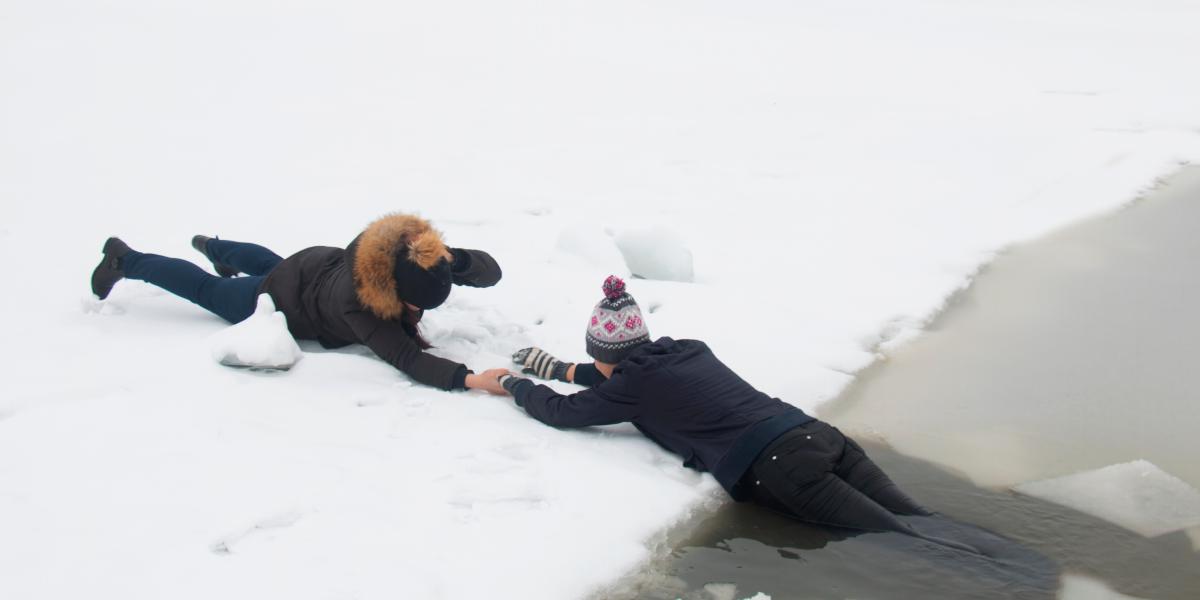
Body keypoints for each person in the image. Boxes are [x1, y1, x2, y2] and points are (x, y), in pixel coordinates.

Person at [492, 275, 946, 537]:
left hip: (781, 466)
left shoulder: (630, 386)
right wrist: (557, 369)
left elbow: (563, 413)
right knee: (924, 523)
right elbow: (623, 379)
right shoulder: (687, 349)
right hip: (817, 434)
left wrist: (513, 385)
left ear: (606, 355)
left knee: (903, 542)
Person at [91, 213, 511, 392]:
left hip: (313, 265)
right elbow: (407, 358)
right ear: (393, 293)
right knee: (208, 291)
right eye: (415, 308)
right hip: (283, 297)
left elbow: (491, 273)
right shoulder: (360, 305)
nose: (418, 316)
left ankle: (216, 246)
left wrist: (451, 259)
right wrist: (472, 380)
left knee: (271, 262)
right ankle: (124, 258)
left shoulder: (405, 255)